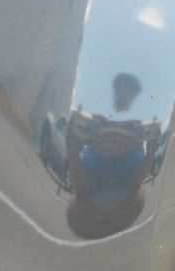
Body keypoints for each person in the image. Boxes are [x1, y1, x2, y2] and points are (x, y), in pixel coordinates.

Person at [66, 73, 161, 239]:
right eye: (120, 88)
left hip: (122, 176)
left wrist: (151, 148)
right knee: (85, 190)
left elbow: (134, 183)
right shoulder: (98, 115)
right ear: (114, 89)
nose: (124, 94)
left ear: (134, 95)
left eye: (129, 91)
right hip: (100, 170)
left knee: (130, 188)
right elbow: (81, 188)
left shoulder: (136, 123)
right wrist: (73, 144)